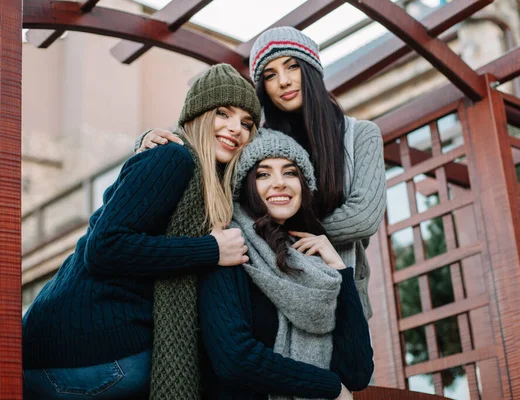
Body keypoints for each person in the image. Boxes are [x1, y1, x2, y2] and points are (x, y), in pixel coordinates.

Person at [21, 63, 261, 400]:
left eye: (247, 124)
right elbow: (106, 246)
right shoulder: (173, 159)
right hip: (85, 354)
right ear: (197, 116)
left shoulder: (211, 185)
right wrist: (211, 249)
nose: (235, 129)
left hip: (92, 352)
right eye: (223, 113)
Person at [137, 26, 386, 320]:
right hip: (271, 288)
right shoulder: (258, 141)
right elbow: (208, 157)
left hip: (340, 284)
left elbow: (363, 217)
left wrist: (277, 230)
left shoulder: (360, 136)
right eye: (269, 75)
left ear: (312, 70)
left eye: (292, 66)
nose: (283, 81)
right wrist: (150, 139)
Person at [198, 128, 374, 399]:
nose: (280, 183)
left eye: (290, 172)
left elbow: (357, 372)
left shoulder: (314, 263)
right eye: (264, 174)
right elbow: (234, 359)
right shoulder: (229, 247)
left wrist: (340, 270)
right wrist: (328, 386)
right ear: (245, 186)